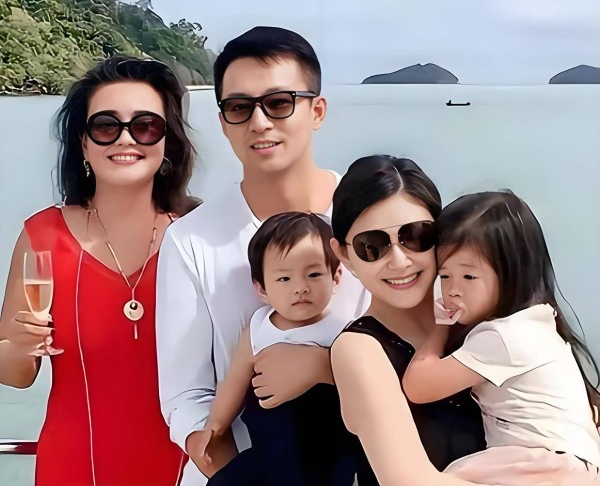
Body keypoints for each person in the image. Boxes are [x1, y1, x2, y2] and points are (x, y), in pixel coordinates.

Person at [156, 26, 368, 485]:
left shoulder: (370, 221)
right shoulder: (191, 240)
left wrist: (325, 368)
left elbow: (416, 349)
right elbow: (186, 397)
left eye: (279, 102)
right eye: (239, 107)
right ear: (223, 122)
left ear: (317, 111)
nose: (259, 122)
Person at [0, 56, 198, 486]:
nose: (125, 138)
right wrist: (20, 346)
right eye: (106, 126)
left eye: (145, 126)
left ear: (167, 142)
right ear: (84, 144)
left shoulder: (200, 235)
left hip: (188, 471)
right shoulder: (43, 235)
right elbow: (15, 374)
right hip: (73, 469)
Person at [402, 190, 600, 485]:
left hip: (543, 466)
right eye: (444, 276)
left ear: (510, 273)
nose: (452, 290)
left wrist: (440, 325)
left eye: (469, 277)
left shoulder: (502, 338)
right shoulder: (539, 323)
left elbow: (418, 386)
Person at [329, 155, 487, 486]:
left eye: (415, 236)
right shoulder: (359, 351)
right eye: (372, 246)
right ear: (344, 255)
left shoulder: (479, 318)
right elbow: (408, 480)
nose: (399, 261)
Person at [199, 212, 358, 485]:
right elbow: (234, 381)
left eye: (314, 274)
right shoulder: (258, 328)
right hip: (268, 450)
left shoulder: (345, 332)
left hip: (325, 456)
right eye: (284, 279)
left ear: (335, 277)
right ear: (261, 288)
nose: (301, 288)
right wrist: (216, 425)